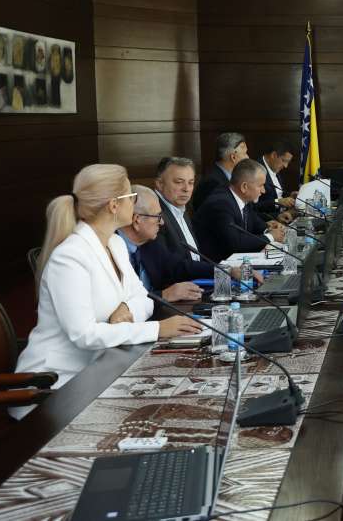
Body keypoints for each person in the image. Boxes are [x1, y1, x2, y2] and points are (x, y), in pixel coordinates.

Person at [12, 164, 203, 417]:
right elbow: (84, 335)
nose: (134, 202)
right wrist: (157, 329)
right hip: (56, 385)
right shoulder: (69, 257)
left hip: (104, 367)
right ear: (114, 205)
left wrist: (126, 307)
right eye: (131, 197)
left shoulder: (114, 243)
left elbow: (143, 297)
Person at [118, 186, 257, 299]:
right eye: (158, 216)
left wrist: (227, 270)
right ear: (137, 220)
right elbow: (122, 303)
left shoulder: (149, 245)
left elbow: (180, 267)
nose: (162, 222)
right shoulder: (111, 252)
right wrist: (164, 295)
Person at [193, 159, 286, 263]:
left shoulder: (242, 198)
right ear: (244, 187)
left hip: (235, 263)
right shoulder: (221, 204)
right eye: (260, 185)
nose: (263, 191)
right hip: (215, 266)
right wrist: (270, 236)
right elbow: (236, 243)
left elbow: (253, 221)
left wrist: (267, 228)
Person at [153, 156, 201, 261]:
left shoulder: (180, 207)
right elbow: (171, 265)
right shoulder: (154, 214)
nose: (186, 189)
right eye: (179, 182)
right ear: (160, 184)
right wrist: (214, 268)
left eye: (191, 183)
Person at [192, 132, 248, 211]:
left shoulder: (231, 177)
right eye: (245, 153)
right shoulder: (212, 182)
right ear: (233, 157)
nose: (248, 157)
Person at [255, 139, 297, 219]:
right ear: (274, 155)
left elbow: (277, 195)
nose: (285, 166)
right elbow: (253, 206)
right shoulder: (255, 170)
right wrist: (277, 202)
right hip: (268, 220)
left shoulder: (275, 168)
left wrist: (290, 196)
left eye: (288, 162)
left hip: (283, 216)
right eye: (284, 160)